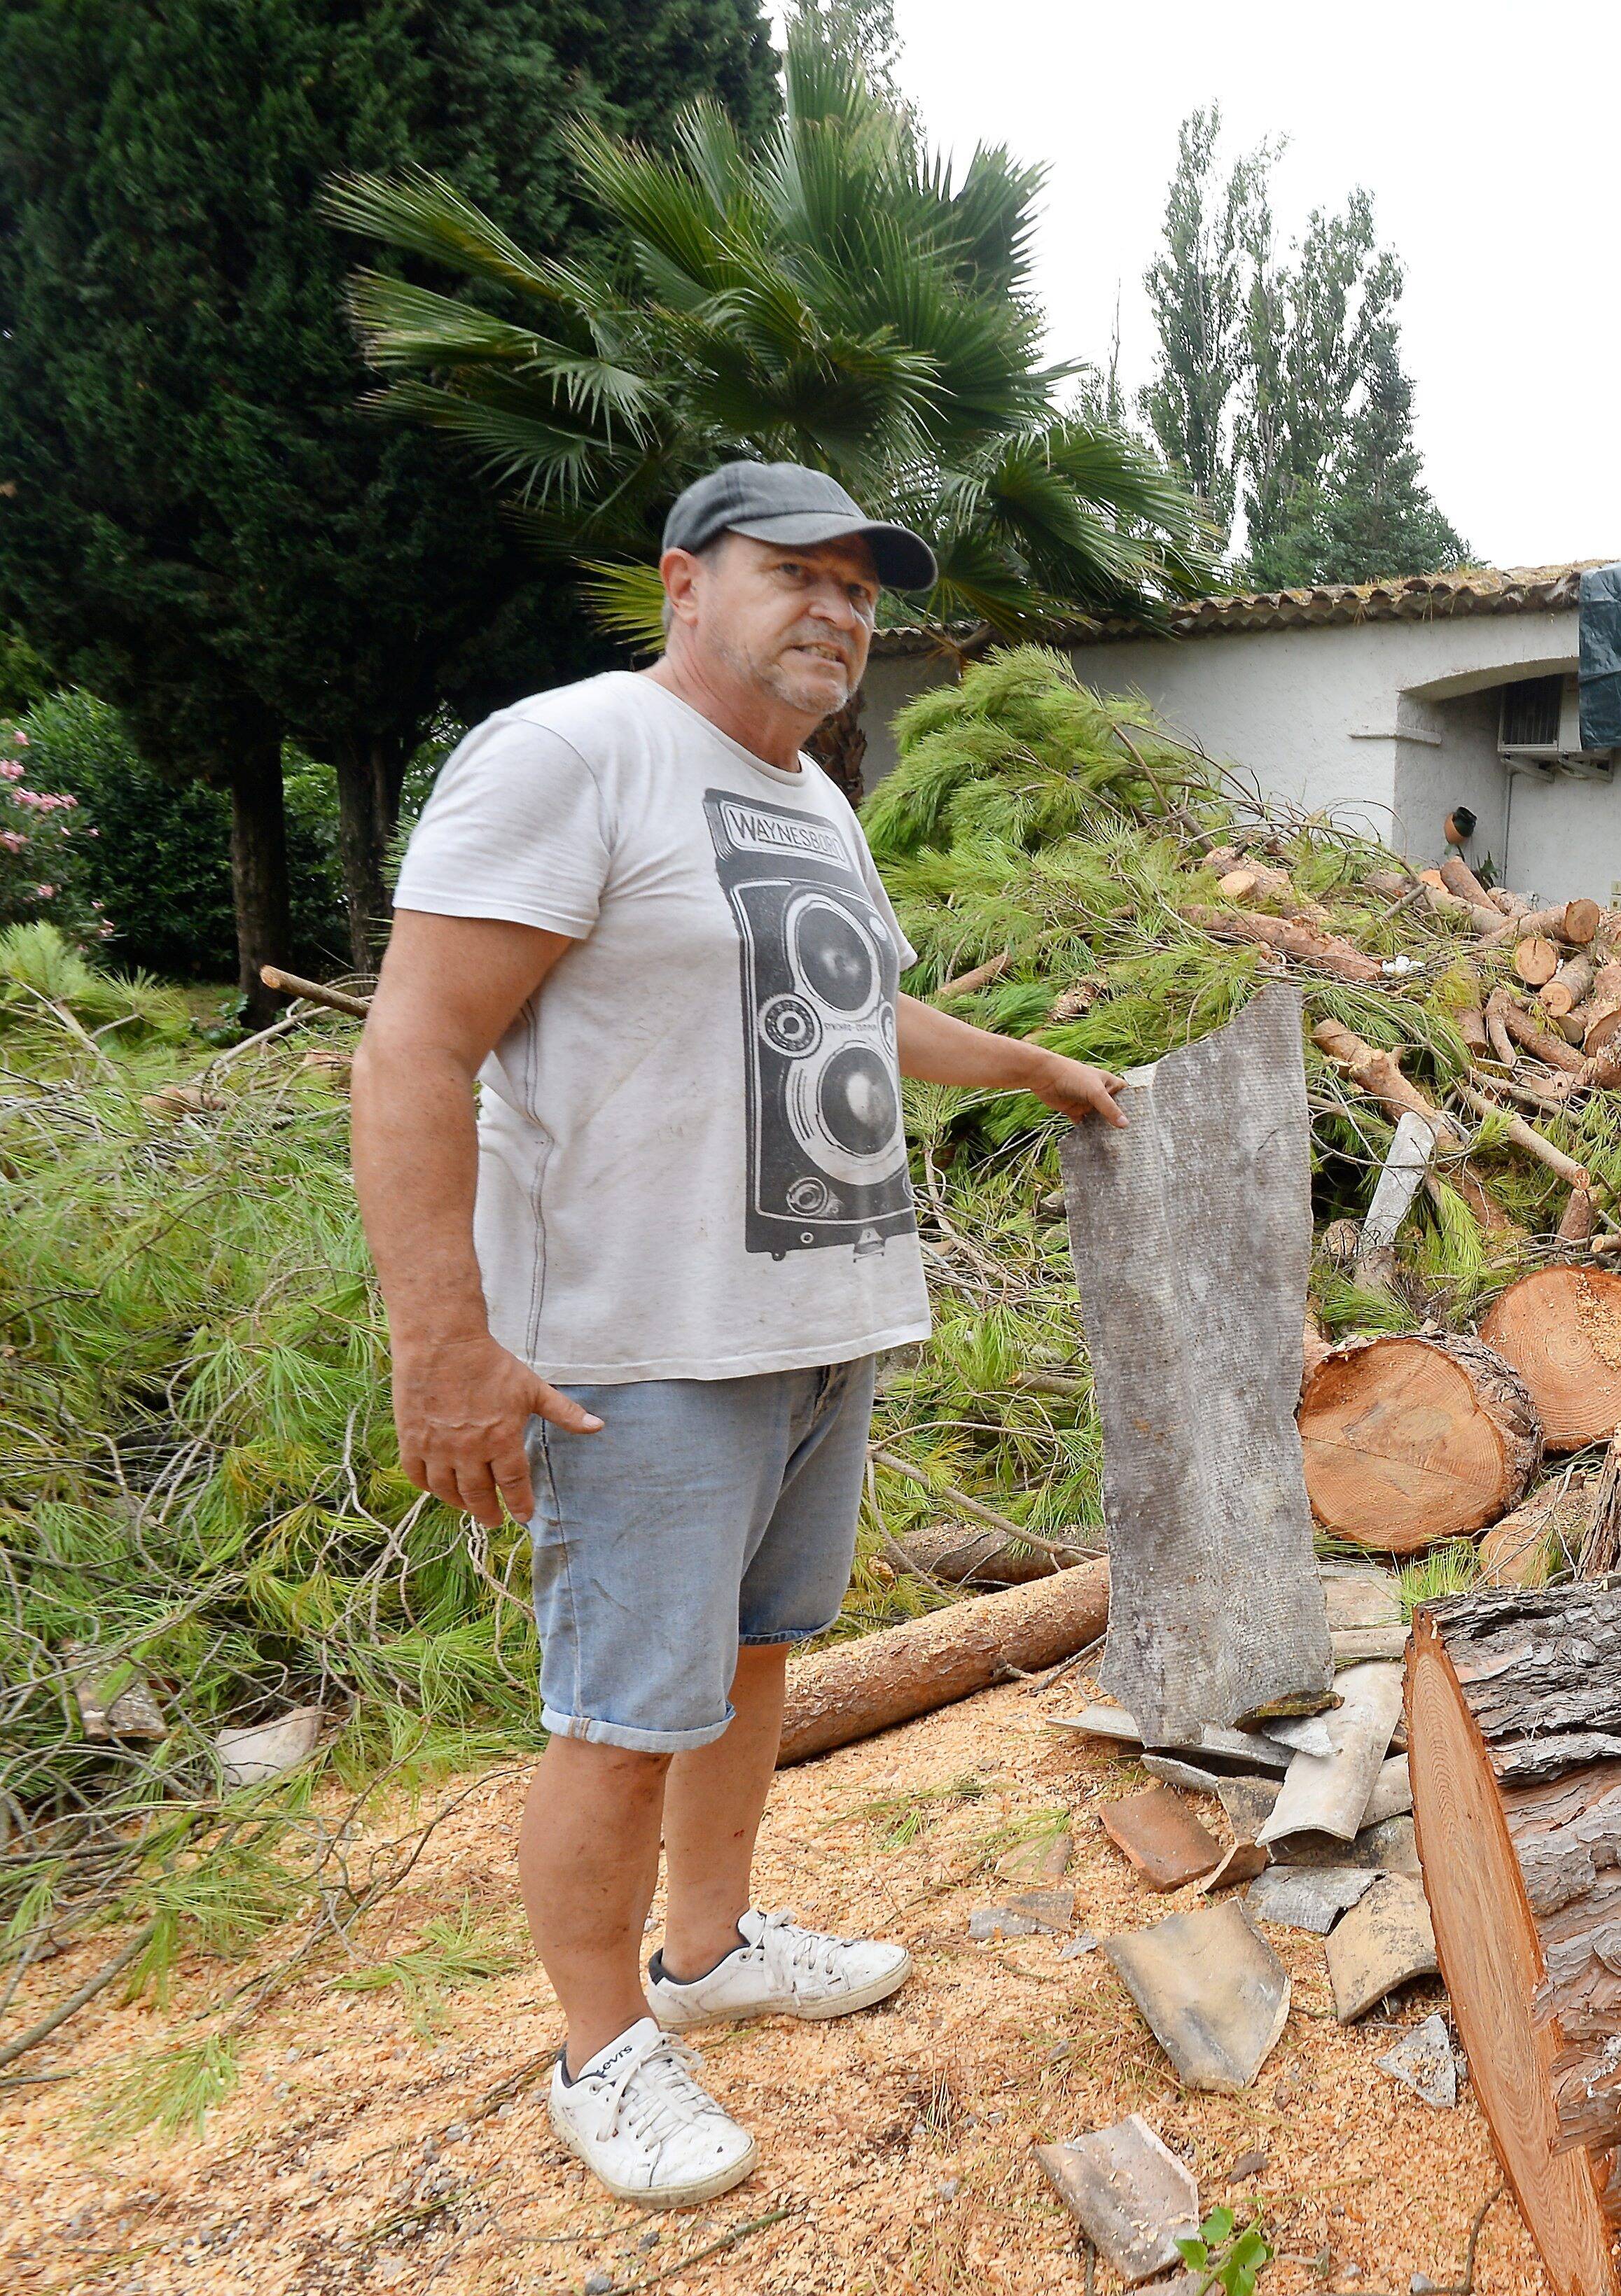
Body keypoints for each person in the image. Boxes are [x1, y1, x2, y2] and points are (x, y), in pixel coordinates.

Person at [350, 462, 1125, 2208]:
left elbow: (863, 1003)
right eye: (801, 573)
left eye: (863, 589)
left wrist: (1030, 1063)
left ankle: (708, 1947)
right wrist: (444, 1345)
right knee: (624, 1711)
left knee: (759, 1654)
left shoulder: (811, 803)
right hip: (642, 1345)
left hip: (813, 1318)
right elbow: (413, 1046)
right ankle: (601, 2043)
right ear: (686, 583)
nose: (840, 611)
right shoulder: (574, 754)